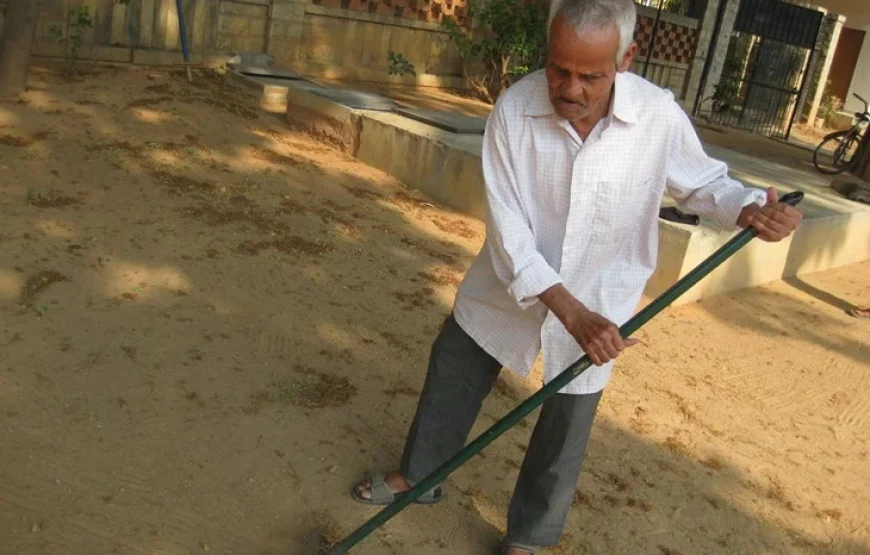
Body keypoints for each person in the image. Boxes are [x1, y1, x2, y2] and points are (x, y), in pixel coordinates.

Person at [350, 0, 804, 553]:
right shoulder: (514, 112)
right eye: (558, 69)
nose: (570, 88)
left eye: (590, 75)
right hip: (510, 286)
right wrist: (570, 311)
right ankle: (419, 478)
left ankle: (530, 537)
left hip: (602, 295)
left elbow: (705, 183)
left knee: (568, 420)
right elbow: (509, 234)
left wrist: (750, 207)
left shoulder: (656, 116)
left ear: (627, 59)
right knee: (455, 367)